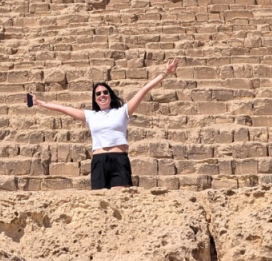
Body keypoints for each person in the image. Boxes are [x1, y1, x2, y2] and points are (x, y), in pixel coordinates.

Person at [28, 58, 179, 190]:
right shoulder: (90, 115)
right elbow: (64, 109)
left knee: (119, 201)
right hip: (99, 162)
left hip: (119, 160)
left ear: (110, 95)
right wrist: (39, 102)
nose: (102, 95)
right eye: (98, 94)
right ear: (94, 99)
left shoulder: (123, 111)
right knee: (100, 205)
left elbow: (144, 90)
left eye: (105, 92)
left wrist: (164, 73)